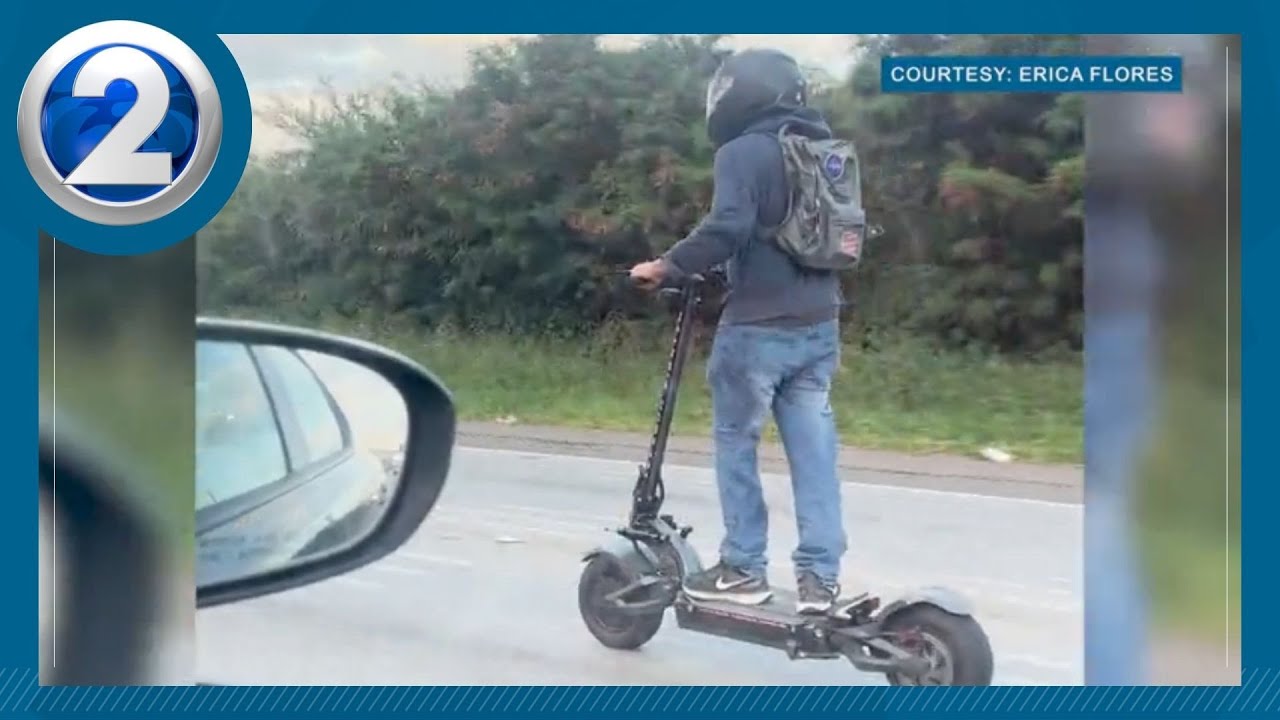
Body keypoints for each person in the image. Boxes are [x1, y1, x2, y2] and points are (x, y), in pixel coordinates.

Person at [630, 48, 846, 614]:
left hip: (757, 330)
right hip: (821, 324)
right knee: (814, 449)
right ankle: (820, 578)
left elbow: (728, 226)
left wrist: (667, 265)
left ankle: (743, 566)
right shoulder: (824, 151)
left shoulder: (742, 152)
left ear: (742, 93)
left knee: (736, 442)